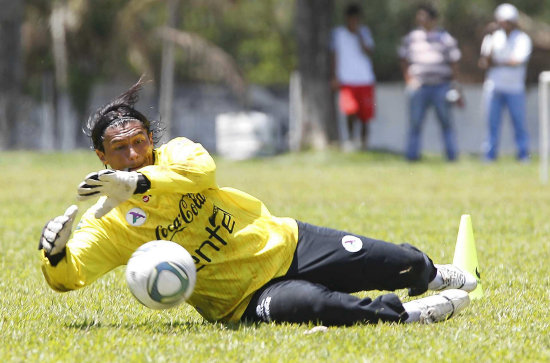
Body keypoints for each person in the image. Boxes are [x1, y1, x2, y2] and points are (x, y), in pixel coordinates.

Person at [38, 79, 477, 326]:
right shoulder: (110, 223)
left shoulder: (177, 154)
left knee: (397, 260)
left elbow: (200, 173)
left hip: (289, 242)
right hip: (244, 301)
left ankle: (434, 274)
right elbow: (70, 276)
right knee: (319, 307)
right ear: (101, 156)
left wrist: (137, 182)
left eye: (139, 142)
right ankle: (407, 315)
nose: (133, 154)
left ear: (151, 139)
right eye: (120, 150)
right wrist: (54, 255)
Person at [398, 4, 462, 162]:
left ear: (433, 19)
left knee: (446, 123)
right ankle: (412, 157)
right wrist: (409, 80)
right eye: (419, 16)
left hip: (441, 86)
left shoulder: (445, 38)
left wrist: (455, 85)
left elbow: (454, 63)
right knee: (415, 123)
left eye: (424, 16)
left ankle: (451, 156)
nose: (421, 20)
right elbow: (403, 59)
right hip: (419, 86)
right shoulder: (411, 37)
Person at [478, 3, 532, 162]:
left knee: (519, 124)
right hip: (494, 87)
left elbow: (518, 61)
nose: (505, 24)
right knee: (492, 124)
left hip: (515, 88)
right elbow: (485, 62)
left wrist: (498, 62)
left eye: (508, 21)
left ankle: (523, 155)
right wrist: (491, 43)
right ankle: (489, 156)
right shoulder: (493, 37)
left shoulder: (522, 39)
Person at [330, 3, 376, 151]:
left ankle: (364, 144)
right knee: (350, 111)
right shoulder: (338, 34)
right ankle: (350, 141)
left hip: (365, 79)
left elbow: (369, 51)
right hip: (347, 79)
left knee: (365, 116)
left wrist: (359, 36)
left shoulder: (364, 32)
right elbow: (334, 55)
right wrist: (334, 76)